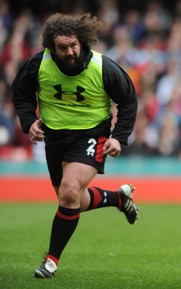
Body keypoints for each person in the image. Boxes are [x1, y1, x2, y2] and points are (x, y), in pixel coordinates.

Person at [11, 13, 139, 278]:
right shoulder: (38, 64)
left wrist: (118, 136)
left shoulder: (103, 67)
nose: (69, 52)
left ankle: (51, 260)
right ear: (51, 47)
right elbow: (20, 93)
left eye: (73, 45)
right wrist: (28, 121)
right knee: (72, 200)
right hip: (54, 138)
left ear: (82, 42)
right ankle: (118, 198)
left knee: (69, 191)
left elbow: (128, 100)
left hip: (91, 134)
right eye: (62, 47)